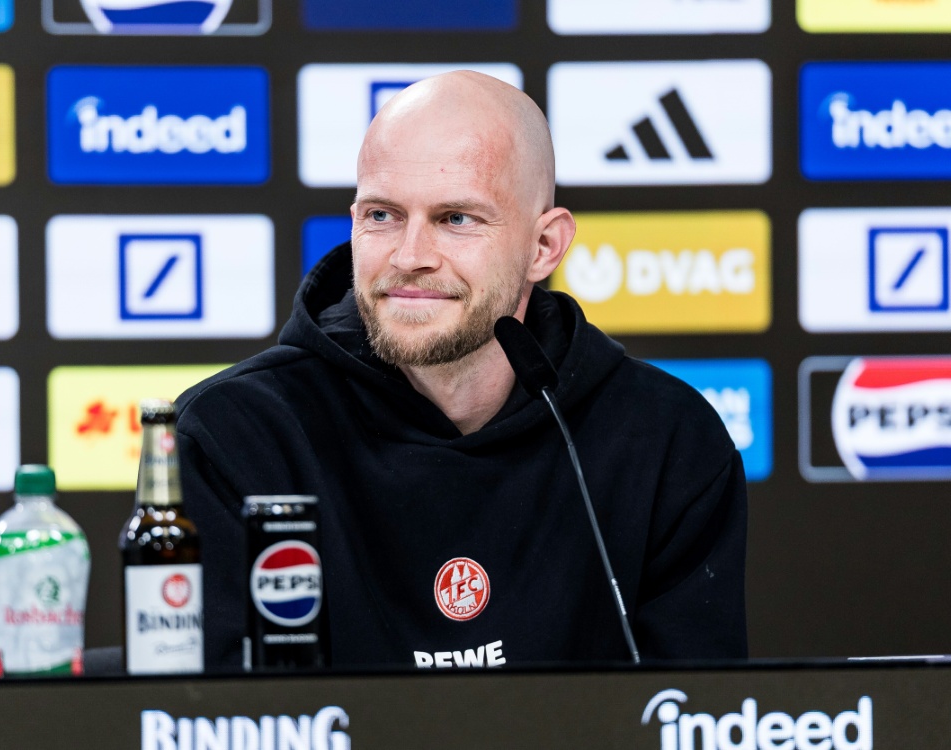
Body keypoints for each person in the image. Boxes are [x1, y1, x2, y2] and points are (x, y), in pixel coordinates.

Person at [176, 71, 748, 670]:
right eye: (382, 215)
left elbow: (692, 710)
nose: (410, 257)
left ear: (544, 247)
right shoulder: (234, 436)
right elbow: (209, 713)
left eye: (456, 218)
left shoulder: (667, 440)